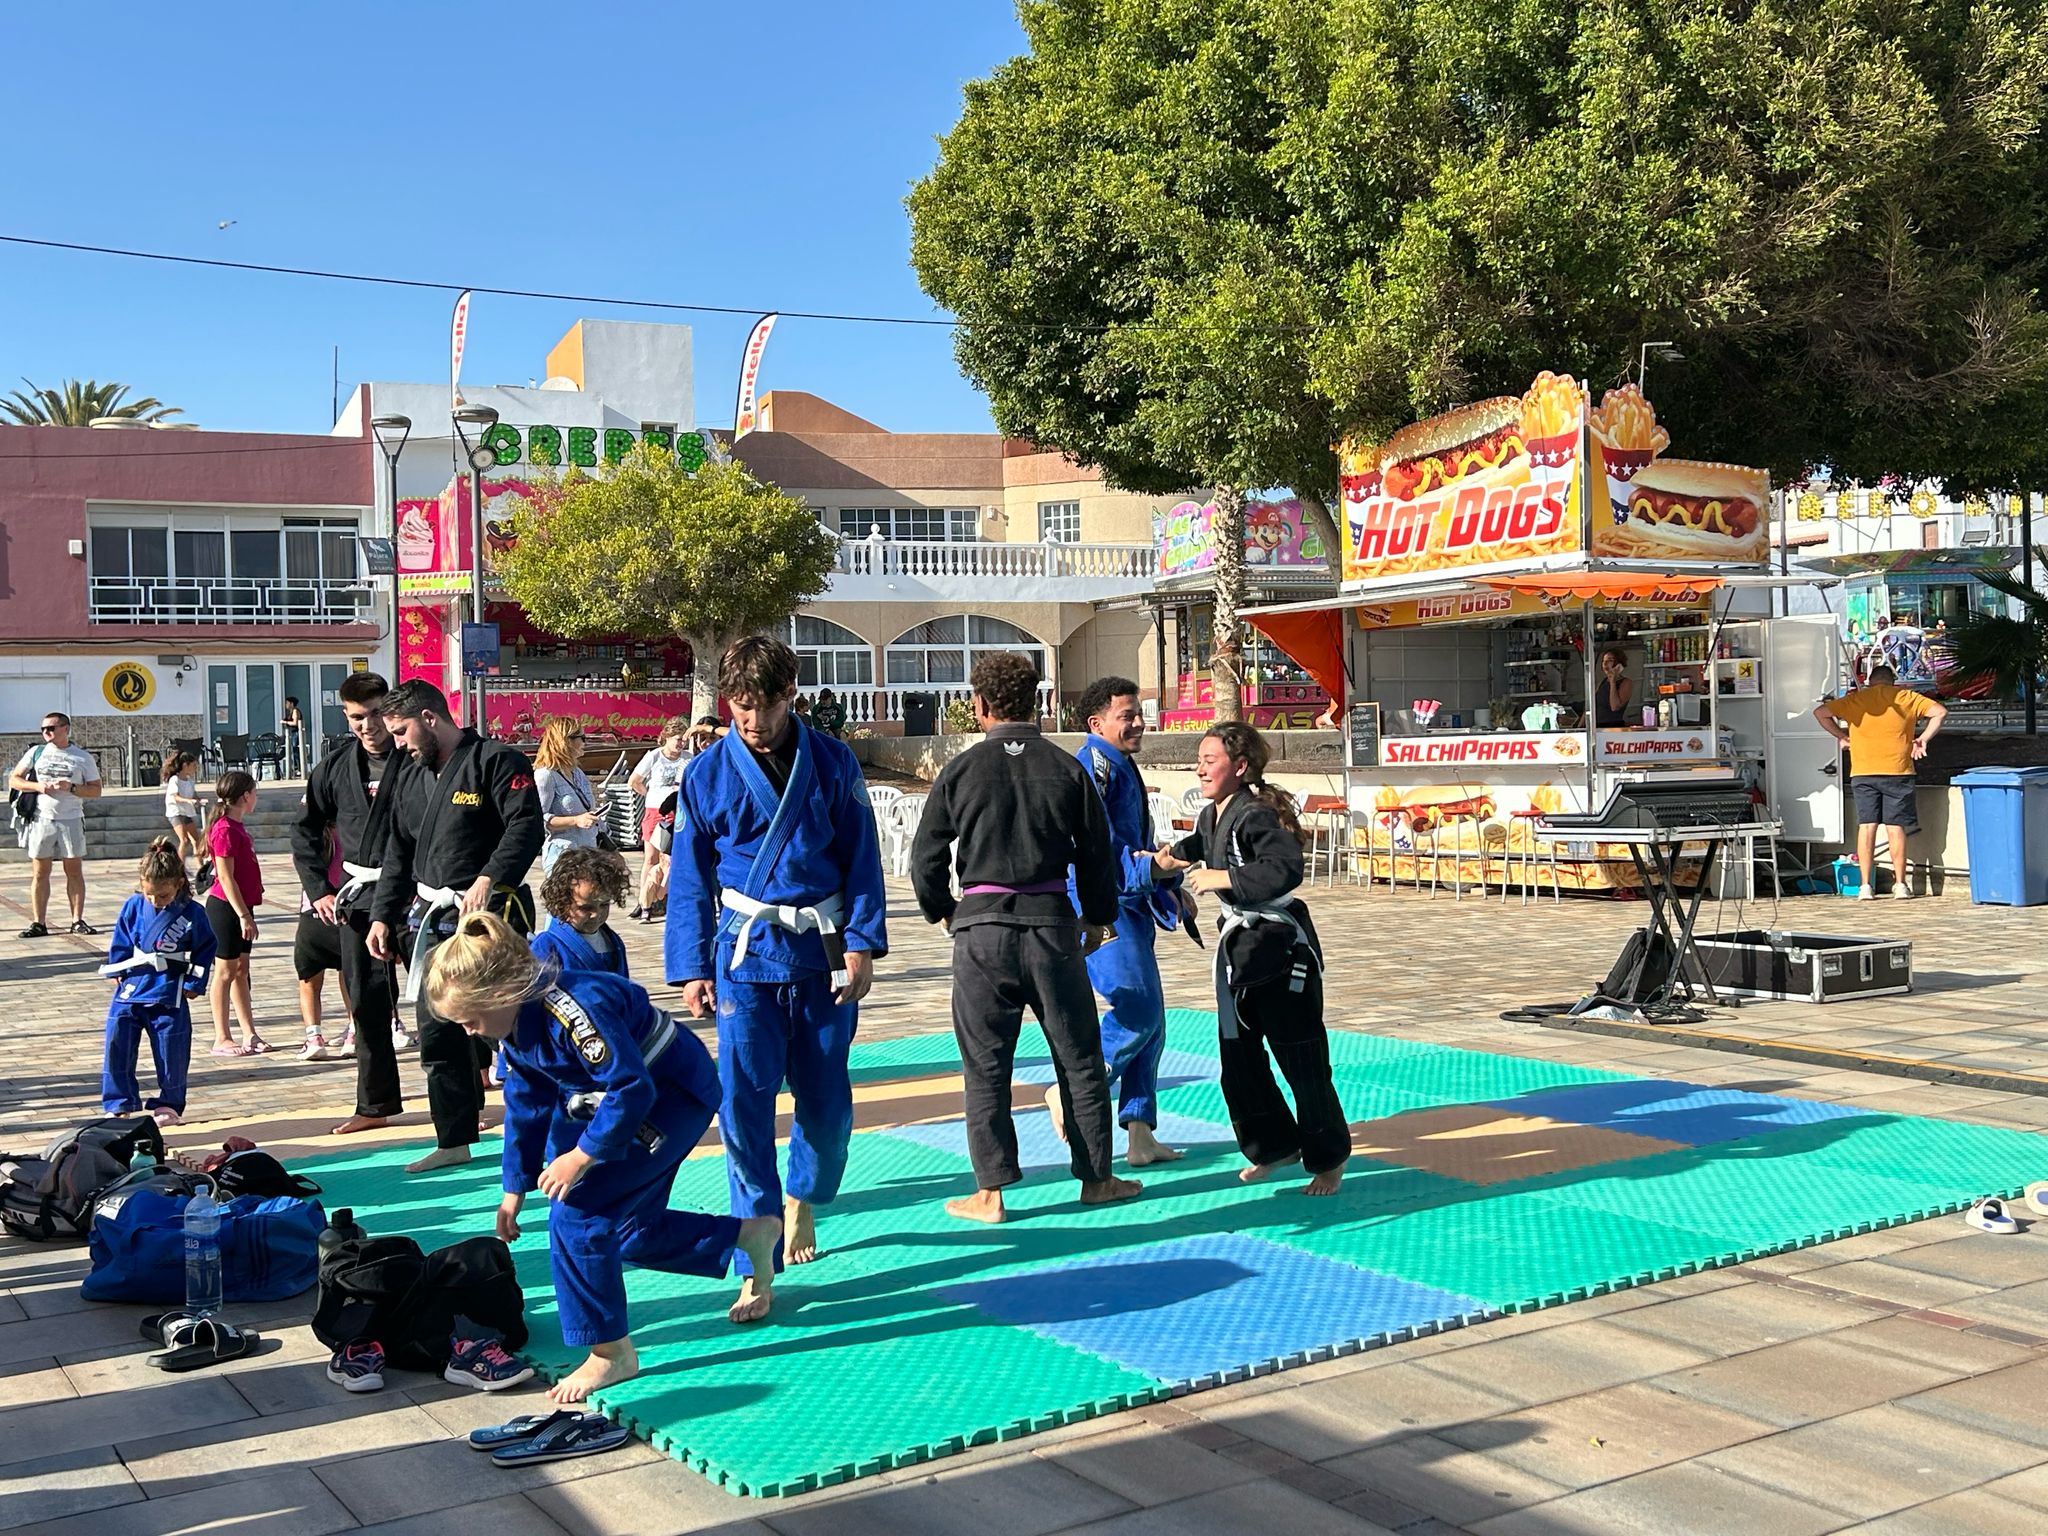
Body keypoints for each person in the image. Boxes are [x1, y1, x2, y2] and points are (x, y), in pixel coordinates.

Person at [431, 912, 780, 1402]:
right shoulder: (514, 1022)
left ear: (502, 994)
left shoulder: (573, 1012)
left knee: (577, 1214)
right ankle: (747, 1236)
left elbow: (631, 1089)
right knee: (629, 1231)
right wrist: (514, 1187)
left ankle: (611, 1352)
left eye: (470, 1020)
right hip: (628, 1099)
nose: (468, 1032)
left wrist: (582, 1156)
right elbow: (526, 1103)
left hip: (671, 1095)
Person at [666, 637, 888, 1320]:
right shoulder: (706, 773)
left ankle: (804, 1195)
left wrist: (862, 943)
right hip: (745, 957)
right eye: (740, 708)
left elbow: (862, 857)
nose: (753, 721)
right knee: (743, 1106)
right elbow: (690, 879)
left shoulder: (833, 760)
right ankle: (755, 1256)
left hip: (822, 949)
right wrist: (690, 966)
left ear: (791, 695)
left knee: (828, 1108)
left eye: (764, 707)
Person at [908, 651, 1139, 1225]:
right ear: (1037, 703)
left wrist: (945, 912)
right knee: (1079, 1058)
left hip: (982, 931)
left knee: (986, 1064)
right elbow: (1096, 856)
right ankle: (1097, 1179)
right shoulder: (1066, 769)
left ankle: (990, 1193)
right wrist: (1097, 918)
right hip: (1052, 926)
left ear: (980, 705)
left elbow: (926, 859)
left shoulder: (961, 770)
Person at [1154, 723, 1347, 1196]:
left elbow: (1285, 868)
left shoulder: (1256, 814)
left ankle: (1329, 1159)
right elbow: (1198, 846)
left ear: (1240, 767)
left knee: (1301, 1060)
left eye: (1210, 761)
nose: (1200, 769)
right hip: (1241, 953)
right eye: (1199, 760)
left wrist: (1223, 878)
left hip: (1281, 951)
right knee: (1238, 1060)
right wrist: (1164, 860)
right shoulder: (1213, 814)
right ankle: (1274, 1147)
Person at [369, 680, 544, 1174]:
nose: (396, 743)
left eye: (401, 731)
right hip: (433, 917)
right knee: (437, 1029)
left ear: (429, 719)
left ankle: (554, 1120)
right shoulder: (410, 773)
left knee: (510, 1026)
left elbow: (526, 825)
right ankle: (454, 1138)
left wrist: (490, 876)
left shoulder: (496, 760)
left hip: (489, 919)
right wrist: (382, 914)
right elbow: (398, 850)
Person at [1045, 676, 1188, 1168]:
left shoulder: (1118, 763)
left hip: (1132, 902)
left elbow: (1133, 844)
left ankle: (1140, 1133)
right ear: (1097, 722)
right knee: (1137, 1007)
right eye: (1127, 716)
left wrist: (1167, 885)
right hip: (1102, 907)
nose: (1139, 723)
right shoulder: (1093, 766)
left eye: (1139, 713)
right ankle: (1071, 1088)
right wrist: (1152, 871)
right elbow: (1095, 849)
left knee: (1154, 1021)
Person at [293, 671, 410, 1134]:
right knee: (365, 1002)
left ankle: (472, 1088)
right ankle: (375, 1104)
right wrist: (319, 889)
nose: (368, 725)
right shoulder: (334, 768)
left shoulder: (416, 758)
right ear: (346, 716)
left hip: (416, 893)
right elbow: (305, 830)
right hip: (360, 897)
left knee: (443, 998)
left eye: (377, 713)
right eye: (358, 717)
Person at [101, 837, 216, 1125]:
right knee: (117, 1041)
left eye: (163, 896)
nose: (155, 901)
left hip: (169, 987)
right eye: (150, 894)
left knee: (171, 1048)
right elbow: (121, 940)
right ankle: (119, 1101)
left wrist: (194, 983)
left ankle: (169, 1103)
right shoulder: (133, 905)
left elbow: (205, 948)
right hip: (133, 983)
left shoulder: (192, 913)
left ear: (179, 884)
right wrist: (117, 969)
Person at [1813, 663, 1948, 900]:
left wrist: (1842, 736)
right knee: (1895, 828)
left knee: (1867, 827)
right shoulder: (1905, 697)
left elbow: (1820, 713)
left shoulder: (1857, 699)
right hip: (1899, 771)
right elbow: (1940, 712)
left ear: (1870, 682)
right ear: (1893, 682)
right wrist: (1922, 739)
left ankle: (1865, 886)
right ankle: (1901, 885)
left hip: (1863, 772)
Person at [11, 711, 102, 938]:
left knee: (74, 870)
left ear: (65, 729)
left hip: (71, 818)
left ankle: (77, 920)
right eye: (43, 729)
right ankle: (38, 922)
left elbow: (96, 790)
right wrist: (38, 787)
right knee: (40, 872)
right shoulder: (36, 752)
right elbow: (15, 779)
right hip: (42, 818)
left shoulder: (82, 757)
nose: (46, 733)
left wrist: (71, 787)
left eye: (51, 728)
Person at [206, 770, 271, 1056]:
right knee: (225, 971)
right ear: (245, 795)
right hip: (226, 908)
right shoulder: (225, 829)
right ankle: (221, 1036)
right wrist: (243, 915)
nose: (256, 798)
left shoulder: (236, 826)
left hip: (243, 905)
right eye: (254, 792)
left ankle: (249, 1033)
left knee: (241, 970)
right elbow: (225, 876)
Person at [294, 828, 356, 1062]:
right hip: (342, 911)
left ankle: (314, 1038)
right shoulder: (346, 834)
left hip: (312, 913)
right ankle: (353, 1032)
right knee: (347, 975)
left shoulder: (310, 838)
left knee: (309, 981)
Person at [531, 846, 633, 978]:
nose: (596, 914)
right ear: (561, 902)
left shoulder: (613, 942)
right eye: (585, 908)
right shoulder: (546, 946)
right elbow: (534, 989)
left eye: (604, 904)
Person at [627, 720, 689, 921]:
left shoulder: (688, 758)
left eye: (684, 740)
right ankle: (643, 901)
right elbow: (634, 781)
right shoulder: (654, 756)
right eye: (678, 739)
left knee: (673, 859)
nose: (681, 744)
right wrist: (651, 795)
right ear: (667, 738)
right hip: (656, 811)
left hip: (678, 811)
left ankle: (667, 899)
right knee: (651, 858)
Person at [534, 719, 603, 888]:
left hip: (588, 853)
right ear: (566, 741)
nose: (585, 743)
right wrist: (575, 820)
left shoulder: (577, 773)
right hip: (563, 856)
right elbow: (537, 819)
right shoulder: (545, 775)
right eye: (582, 738)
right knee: (566, 903)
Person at [163, 751, 204, 862]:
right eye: (194, 766)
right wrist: (189, 801)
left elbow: (194, 794)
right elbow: (176, 797)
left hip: (186, 812)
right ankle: (180, 867)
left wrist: (199, 800)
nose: (195, 769)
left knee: (196, 840)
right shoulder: (174, 780)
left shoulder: (190, 781)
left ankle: (200, 867)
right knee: (184, 840)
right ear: (185, 765)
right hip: (176, 812)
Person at [1593, 648, 1635, 727]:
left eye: (1610, 660)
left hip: (1613, 726)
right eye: (1603, 661)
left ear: (1618, 664)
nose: (1605, 664)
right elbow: (1592, 705)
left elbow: (1615, 707)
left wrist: (1613, 682)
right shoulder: (1603, 682)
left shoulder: (1626, 682)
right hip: (1597, 726)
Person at [281, 697, 306, 778]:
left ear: (291, 704)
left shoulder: (295, 711)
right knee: (292, 750)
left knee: (295, 750)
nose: (286, 705)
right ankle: (295, 768)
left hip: (296, 733)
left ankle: (298, 768)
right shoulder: (290, 712)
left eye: (287, 703)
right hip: (292, 733)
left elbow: (295, 723)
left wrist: (285, 722)